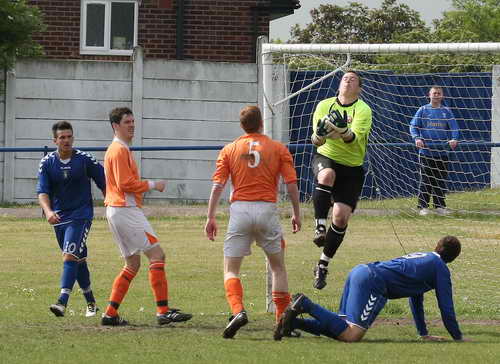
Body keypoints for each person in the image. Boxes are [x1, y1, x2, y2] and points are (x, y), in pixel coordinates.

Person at [204, 105, 301, 339]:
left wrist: (210, 216)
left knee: (231, 269)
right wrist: (297, 212)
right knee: (277, 266)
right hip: (267, 209)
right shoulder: (277, 148)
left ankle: (237, 311)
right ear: (261, 124)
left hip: (240, 211)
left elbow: (218, 186)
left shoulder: (230, 149)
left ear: (241, 126)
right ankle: (281, 321)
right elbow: (291, 184)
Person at [275, 236, 469, 343]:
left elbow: (415, 297)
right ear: (453, 258)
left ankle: (293, 324)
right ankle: (305, 304)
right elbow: (446, 307)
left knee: (342, 329)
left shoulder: (426, 259)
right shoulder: (440, 268)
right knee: (352, 336)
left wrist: (423, 333)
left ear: (437, 246)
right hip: (373, 282)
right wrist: (457, 337)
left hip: (361, 271)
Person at [101, 107, 192, 326]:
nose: (132, 125)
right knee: (157, 255)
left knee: (132, 264)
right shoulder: (119, 150)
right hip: (126, 210)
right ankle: (162, 311)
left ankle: (110, 314)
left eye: (133, 121)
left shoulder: (118, 149)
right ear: (115, 126)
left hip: (117, 210)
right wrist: (153, 185)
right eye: (127, 122)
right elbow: (125, 184)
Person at [309, 70, 373, 290]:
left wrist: (342, 130)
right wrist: (321, 135)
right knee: (326, 175)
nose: (348, 80)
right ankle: (319, 226)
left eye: (353, 79)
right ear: (339, 84)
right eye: (345, 78)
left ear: (360, 88)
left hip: (352, 167)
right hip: (326, 157)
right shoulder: (324, 106)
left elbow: (352, 139)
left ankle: (322, 264)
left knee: (341, 216)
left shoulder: (363, 110)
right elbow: (316, 140)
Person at [37, 121, 105, 318]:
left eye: (69, 136)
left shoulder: (85, 160)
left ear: (73, 138)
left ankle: (62, 302)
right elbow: (42, 191)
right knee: (78, 260)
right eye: (62, 137)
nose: (66, 140)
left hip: (81, 216)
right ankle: (91, 303)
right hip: (59, 218)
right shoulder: (47, 162)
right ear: (55, 140)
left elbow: (104, 182)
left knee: (69, 256)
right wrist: (48, 212)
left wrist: (111, 204)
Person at [410, 86, 460, 216]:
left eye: (439, 93)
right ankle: (422, 207)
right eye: (434, 93)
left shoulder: (446, 111)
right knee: (426, 180)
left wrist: (454, 139)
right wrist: (417, 138)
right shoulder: (423, 110)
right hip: (426, 153)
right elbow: (413, 126)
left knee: (440, 180)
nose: (436, 95)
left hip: (442, 152)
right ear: (429, 95)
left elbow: (454, 127)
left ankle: (439, 207)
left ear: (442, 96)